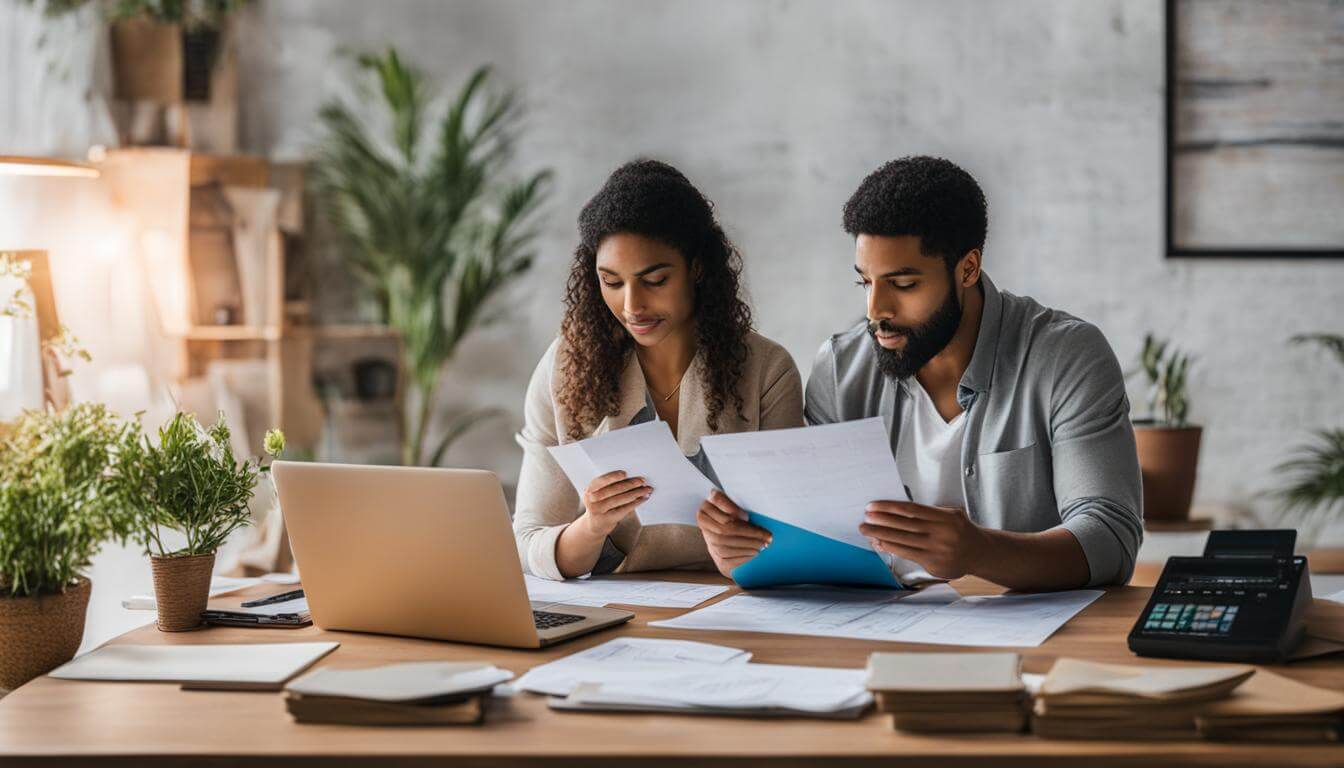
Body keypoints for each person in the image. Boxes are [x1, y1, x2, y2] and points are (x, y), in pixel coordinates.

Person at [697, 155, 1142, 590]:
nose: (876, 311)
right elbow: (817, 533)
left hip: (1026, 641)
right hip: (876, 630)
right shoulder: (840, 368)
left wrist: (979, 552)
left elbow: (1110, 538)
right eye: (865, 282)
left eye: (904, 284)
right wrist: (738, 550)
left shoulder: (1068, 357)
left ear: (968, 268)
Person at [514, 159, 804, 580]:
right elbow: (528, 542)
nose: (632, 306)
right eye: (612, 282)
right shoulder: (566, 368)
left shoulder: (768, 370)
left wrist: (743, 548)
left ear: (697, 268)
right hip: (615, 608)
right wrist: (593, 525)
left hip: (737, 605)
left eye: (655, 280)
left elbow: (795, 537)